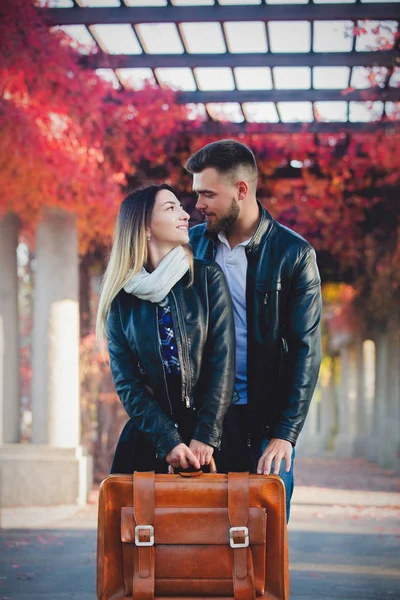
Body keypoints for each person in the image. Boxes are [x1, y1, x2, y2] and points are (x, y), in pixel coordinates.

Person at [187, 140, 322, 521]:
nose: (198, 204)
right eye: (197, 193)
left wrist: (285, 434)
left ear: (241, 190)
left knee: (266, 531)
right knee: (202, 536)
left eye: (208, 193)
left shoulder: (293, 254)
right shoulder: (191, 246)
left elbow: (305, 351)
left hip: (266, 419)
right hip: (204, 416)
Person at [96, 184, 236, 474]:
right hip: (150, 442)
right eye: (171, 208)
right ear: (144, 227)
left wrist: (206, 434)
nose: (186, 215)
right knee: (139, 519)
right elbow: (127, 384)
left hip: (214, 439)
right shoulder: (121, 299)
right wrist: (168, 441)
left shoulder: (207, 278)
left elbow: (222, 362)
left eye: (181, 207)